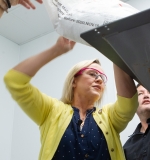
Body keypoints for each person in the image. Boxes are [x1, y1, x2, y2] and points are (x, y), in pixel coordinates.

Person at [4, 36, 138, 160]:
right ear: (74, 81)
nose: (99, 80)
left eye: (102, 78)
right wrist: (56, 50)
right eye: (92, 74)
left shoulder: (109, 116)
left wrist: (114, 50)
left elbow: (128, 105)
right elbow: (15, 81)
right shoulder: (51, 111)